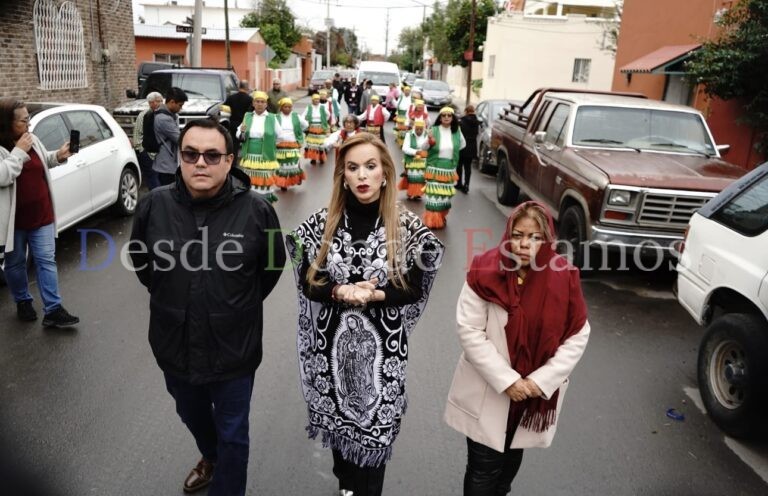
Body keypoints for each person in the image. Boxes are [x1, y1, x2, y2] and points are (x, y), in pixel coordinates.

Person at [129, 118, 286, 496]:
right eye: (191, 153)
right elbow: (142, 264)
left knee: (234, 433)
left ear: (229, 160)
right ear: (179, 158)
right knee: (192, 413)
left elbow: (271, 267)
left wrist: (232, 306)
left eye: (212, 155)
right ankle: (210, 456)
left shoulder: (257, 211)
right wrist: (176, 300)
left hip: (234, 347)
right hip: (173, 341)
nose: (201, 162)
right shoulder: (155, 206)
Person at [286, 132, 444, 496]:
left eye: (370, 167)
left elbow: (415, 286)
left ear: (385, 173)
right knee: (342, 438)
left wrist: (376, 294)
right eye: (353, 168)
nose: (362, 176)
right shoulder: (322, 223)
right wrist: (339, 290)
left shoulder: (404, 227)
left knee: (374, 442)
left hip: (383, 355)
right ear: (342, 175)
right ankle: (346, 488)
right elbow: (306, 279)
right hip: (331, 352)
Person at [444, 201, 590, 496]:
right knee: (483, 470)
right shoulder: (485, 271)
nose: (525, 244)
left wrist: (538, 382)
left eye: (535, 237)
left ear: (547, 241)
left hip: (530, 397)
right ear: (508, 235)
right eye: (518, 234)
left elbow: (577, 335)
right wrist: (508, 381)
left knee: (508, 468)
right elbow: (470, 330)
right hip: (489, 390)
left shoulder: (563, 277)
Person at [0, 98, 78, 327]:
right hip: (13, 222)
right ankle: (23, 300)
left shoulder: (32, 140)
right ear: (7, 123)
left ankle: (53, 310)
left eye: (29, 119)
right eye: (24, 121)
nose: (29, 125)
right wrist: (18, 151)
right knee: (14, 265)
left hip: (41, 214)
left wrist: (58, 156)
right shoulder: (8, 148)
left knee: (46, 260)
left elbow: (44, 161)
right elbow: (3, 175)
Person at [423, 107, 465, 229]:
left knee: (444, 198)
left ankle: (441, 218)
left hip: (448, 170)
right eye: (444, 115)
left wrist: (451, 152)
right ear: (440, 118)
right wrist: (429, 141)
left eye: (449, 115)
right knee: (433, 197)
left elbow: (463, 144)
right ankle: (431, 222)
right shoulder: (434, 130)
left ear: (452, 118)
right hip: (434, 168)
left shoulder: (457, 132)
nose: (446, 117)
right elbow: (423, 147)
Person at [237, 91, 279, 203]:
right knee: (249, 179)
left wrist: (271, 145)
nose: (260, 104)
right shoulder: (247, 116)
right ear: (253, 103)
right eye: (257, 101)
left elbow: (280, 135)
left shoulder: (272, 118)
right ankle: (250, 202)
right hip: (250, 155)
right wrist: (241, 131)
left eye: (262, 102)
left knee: (264, 180)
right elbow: (238, 134)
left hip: (265, 156)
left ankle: (264, 204)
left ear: (266, 104)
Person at [153, 86, 188, 186]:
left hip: (168, 163)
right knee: (169, 195)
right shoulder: (164, 119)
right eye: (180, 105)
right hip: (166, 166)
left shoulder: (168, 115)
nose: (180, 109)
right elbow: (180, 139)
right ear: (172, 102)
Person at [274, 97, 308, 191]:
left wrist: (299, 132)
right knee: (282, 165)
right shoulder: (276, 117)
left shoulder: (296, 116)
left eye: (289, 107)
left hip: (293, 143)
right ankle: (283, 183)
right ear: (281, 108)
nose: (288, 109)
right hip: (280, 144)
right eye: (285, 107)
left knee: (293, 164)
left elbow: (305, 125)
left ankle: (296, 178)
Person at [133, 91, 163, 190]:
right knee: (152, 178)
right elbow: (137, 134)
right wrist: (141, 150)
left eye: (161, 101)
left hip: (161, 153)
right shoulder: (143, 115)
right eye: (158, 101)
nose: (161, 103)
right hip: (147, 153)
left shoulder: (163, 115)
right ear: (151, 103)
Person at [222, 81, 253, 166]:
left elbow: (224, 108)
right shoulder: (249, 99)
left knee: (234, 146)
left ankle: (233, 164)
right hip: (245, 125)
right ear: (247, 87)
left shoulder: (231, 97)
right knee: (247, 144)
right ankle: (247, 162)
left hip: (233, 124)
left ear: (239, 87)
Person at [398, 118, 429, 200]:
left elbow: (430, 148)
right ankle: (411, 192)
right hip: (411, 160)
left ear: (424, 129)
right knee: (413, 177)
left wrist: (425, 153)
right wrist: (416, 152)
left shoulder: (427, 135)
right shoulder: (409, 134)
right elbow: (404, 148)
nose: (419, 131)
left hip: (423, 161)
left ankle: (418, 193)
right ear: (414, 128)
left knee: (421, 178)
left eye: (421, 129)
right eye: (417, 129)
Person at [457, 105, 480, 194]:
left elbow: (459, 134)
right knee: (468, 167)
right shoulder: (477, 122)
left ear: (466, 111)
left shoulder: (462, 121)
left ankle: (459, 183)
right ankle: (467, 185)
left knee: (459, 165)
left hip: (463, 146)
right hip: (472, 146)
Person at [304, 93, 331, 165]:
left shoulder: (322, 107)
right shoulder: (309, 107)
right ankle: (313, 158)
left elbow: (328, 114)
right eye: (315, 99)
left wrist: (324, 121)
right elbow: (303, 116)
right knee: (312, 144)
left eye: (318, 99)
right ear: (312, 100)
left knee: (320, 144)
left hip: (320, 127)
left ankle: (321, 158)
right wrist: (306, 122)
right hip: (312, 127)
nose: (316, 101)